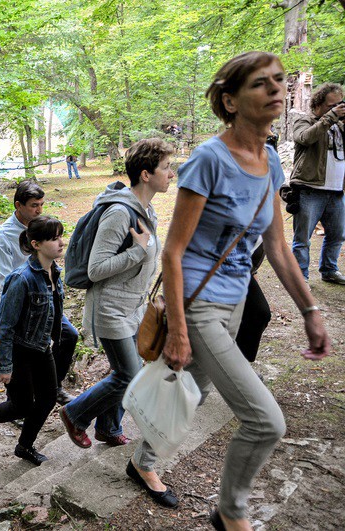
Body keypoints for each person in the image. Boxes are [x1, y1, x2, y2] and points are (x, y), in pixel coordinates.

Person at [156, 52, 329, 530]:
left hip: (234, 297)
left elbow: (276, 243)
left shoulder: (271, 157)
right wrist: (176, 328)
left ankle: (142, 459)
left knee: (190, 389)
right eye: (261, 83)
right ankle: (230, 514)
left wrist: (310, 309)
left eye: (279, 81)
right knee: (265, 421)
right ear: (230, 101)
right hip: (197, 301)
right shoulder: (209, 159)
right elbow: (173, 251)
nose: (276, 89)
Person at [60, 138, 174, 455]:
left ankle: (109, 428)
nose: (171, 174)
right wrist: (137, 253)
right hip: (110, 309)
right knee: (129, 376)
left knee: (132, 368)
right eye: (166, 167)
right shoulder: (119, 214)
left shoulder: (146, 209)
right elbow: (97, 269)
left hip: (133, 306)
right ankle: (75, 414)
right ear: (146, 174)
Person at [0, 216, 65, 466]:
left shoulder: (55, 273)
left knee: (47, 399)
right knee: (22, 406)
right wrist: (4, 365)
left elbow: (53, 315)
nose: (60, 242)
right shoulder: (21, 278)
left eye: (60, 235)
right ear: (36, 244)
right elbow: (4, 327)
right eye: (54, 238)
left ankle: (24, 446)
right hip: (19, 351)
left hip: (41, 348)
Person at [0, 180, 78, 405]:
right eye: (33, 205)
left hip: (44, 299)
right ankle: (16, 402)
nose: (39, 210)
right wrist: (5, 313)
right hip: (20, 301)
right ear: (18, 205)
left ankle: (54, 386)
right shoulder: (4, 236)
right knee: (20, 351)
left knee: (68, 335)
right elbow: (3, 278)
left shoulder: (41, 227)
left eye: (41, 204)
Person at [289, 82, 345, 284]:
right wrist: (330, 118)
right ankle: (300, 279)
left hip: (337, 191)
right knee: (302, 239)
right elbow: (304, 138)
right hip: (310, 190)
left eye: (339, 105)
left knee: (337, 235)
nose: (336, 109)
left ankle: (329, 270)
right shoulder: (305, 121)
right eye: (332, 106)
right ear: (318, 104)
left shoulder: (339, 125)